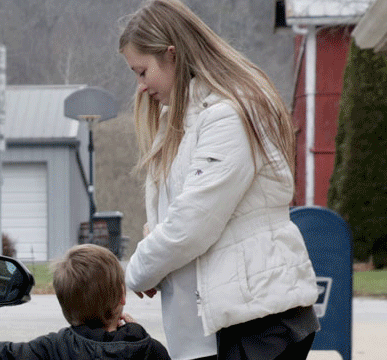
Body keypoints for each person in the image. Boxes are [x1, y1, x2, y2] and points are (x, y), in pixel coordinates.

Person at [116, 1, 324, 360]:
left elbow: (192, 225)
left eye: (143, 71)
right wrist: (159, 260)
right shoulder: (184, 124)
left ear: (172, 55)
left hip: (258, 324)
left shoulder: (227, 117)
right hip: (230, 324)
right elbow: (183, 217)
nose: (140, 86)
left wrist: (137, 271)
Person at [0, 245, 170, 360]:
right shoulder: (150, 350)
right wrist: (134, 335)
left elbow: (2, 353)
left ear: (65, 308)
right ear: (122, 297)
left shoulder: (56, 347)